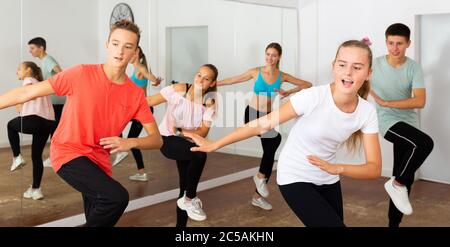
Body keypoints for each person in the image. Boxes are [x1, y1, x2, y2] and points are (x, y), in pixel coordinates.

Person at [186, 40, 382, 227]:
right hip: (294, 175)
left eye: (357, 67)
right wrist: (215, 144)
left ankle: (260, 179)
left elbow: (374, 169)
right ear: (333, 66)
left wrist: (336, 168)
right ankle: (261, 178)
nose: (348, 72)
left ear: (369, 73)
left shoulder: (366, 111)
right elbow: (260, 125)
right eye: (342, 65)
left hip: (328, 178)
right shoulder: (312, 97)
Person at [0, 20, 162, 226]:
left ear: (135, 53)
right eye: (115, 43)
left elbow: (157, 140)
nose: (120, 51)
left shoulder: (135, 95)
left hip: (99, 163)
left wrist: (130, 142)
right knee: (116, 197)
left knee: (98, 216)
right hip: (69, 152)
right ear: (107, 45)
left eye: (127, 46)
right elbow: (26, 92)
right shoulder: (81, 74)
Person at [217, 42, 312, 210]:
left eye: (273, 55)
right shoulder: (256, 71)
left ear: (279, 57)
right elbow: (233, 80)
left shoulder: (281, 76)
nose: (270, 58)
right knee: (274, 141)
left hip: (267, 116)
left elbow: (307, 84)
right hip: (252, 114)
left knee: (270, 149)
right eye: (267, 54)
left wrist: (287, 92)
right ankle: (260, 178)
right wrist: (212, 84)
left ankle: (258, 194)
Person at [370, 23, 434, 227]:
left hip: (409, 123)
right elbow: (355, 78)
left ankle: (393, 224)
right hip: (387, 121)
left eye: (399, 43)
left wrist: (386, 101)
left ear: (408, 43)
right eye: (390, 43)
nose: (394, 48)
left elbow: (419, 101)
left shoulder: (413, 67)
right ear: (386, 42)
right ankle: (396, 183)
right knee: (424, 144)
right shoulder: (376, 65)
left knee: (405, 176)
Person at [146, 64, 217, 226]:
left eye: (206, 78)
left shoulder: (209, 102)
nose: (200, 80)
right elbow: (149, 101)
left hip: (184, 143)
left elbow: (203, 132)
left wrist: (182, 130)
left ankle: (181, 226)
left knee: (184, 188)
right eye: (199, 75)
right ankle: (190, 198)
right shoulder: (179, 89)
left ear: (212, 83)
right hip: (167, 139)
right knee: (200, 154)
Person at [112, 46, 163, 182]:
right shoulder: (135, 69)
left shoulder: (140, 67)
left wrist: (155, 80)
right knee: (132, 141)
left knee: (116, 122)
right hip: (134, 110)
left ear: (137, 53)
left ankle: (122, 152)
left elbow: (148, 75)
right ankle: (142, 173)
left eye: (130, 51)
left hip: (141, 110)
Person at [7, 61, 56, 200]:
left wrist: (19, 103)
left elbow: (26, 92)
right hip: (48, 123)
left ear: (28, 70)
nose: (17, 71)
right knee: (36, 157)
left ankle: (17, 157)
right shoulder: (41, 83)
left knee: (10, 126)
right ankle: (36, 189)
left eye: (19, 69)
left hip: (35, 119)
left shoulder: (29, 80)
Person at [28, 37, 64, 168]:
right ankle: (55, 157)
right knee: (53, 129)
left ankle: (55, 158)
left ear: (41, 48)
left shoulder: (48, 60)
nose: (30, 51)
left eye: (32, 48)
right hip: (53, 101)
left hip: (57, 101)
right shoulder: (44, 61)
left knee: (54, 130)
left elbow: (61, 74)